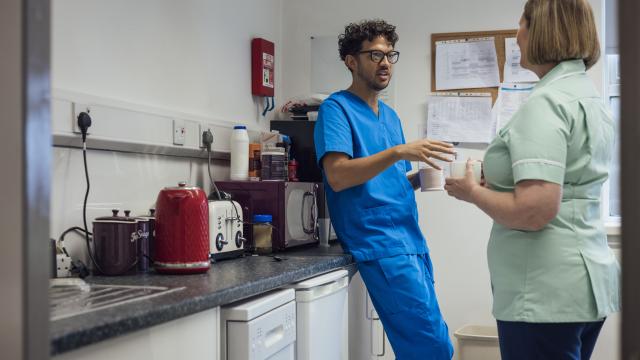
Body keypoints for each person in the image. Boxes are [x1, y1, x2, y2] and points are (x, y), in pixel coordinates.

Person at [444, 1, 621, 359]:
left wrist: (472, 192)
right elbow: (569, 179)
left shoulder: (546, 103)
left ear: (544, 31)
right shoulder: (588, 97)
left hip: (544, 291)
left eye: (522, 25)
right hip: (585, 282)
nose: (517, 35)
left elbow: (534, 210)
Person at [314, 19, 455, 359]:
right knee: (431, 348)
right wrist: (399, 151)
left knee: (436, 337)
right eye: (375, 55)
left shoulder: (390, 117)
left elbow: (391, 178)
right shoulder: (336, 109)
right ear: (351, 60)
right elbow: (338, 175)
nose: (386, 63)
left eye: (390, 55)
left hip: (410, 240)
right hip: (379, 242)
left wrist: (420, 179)